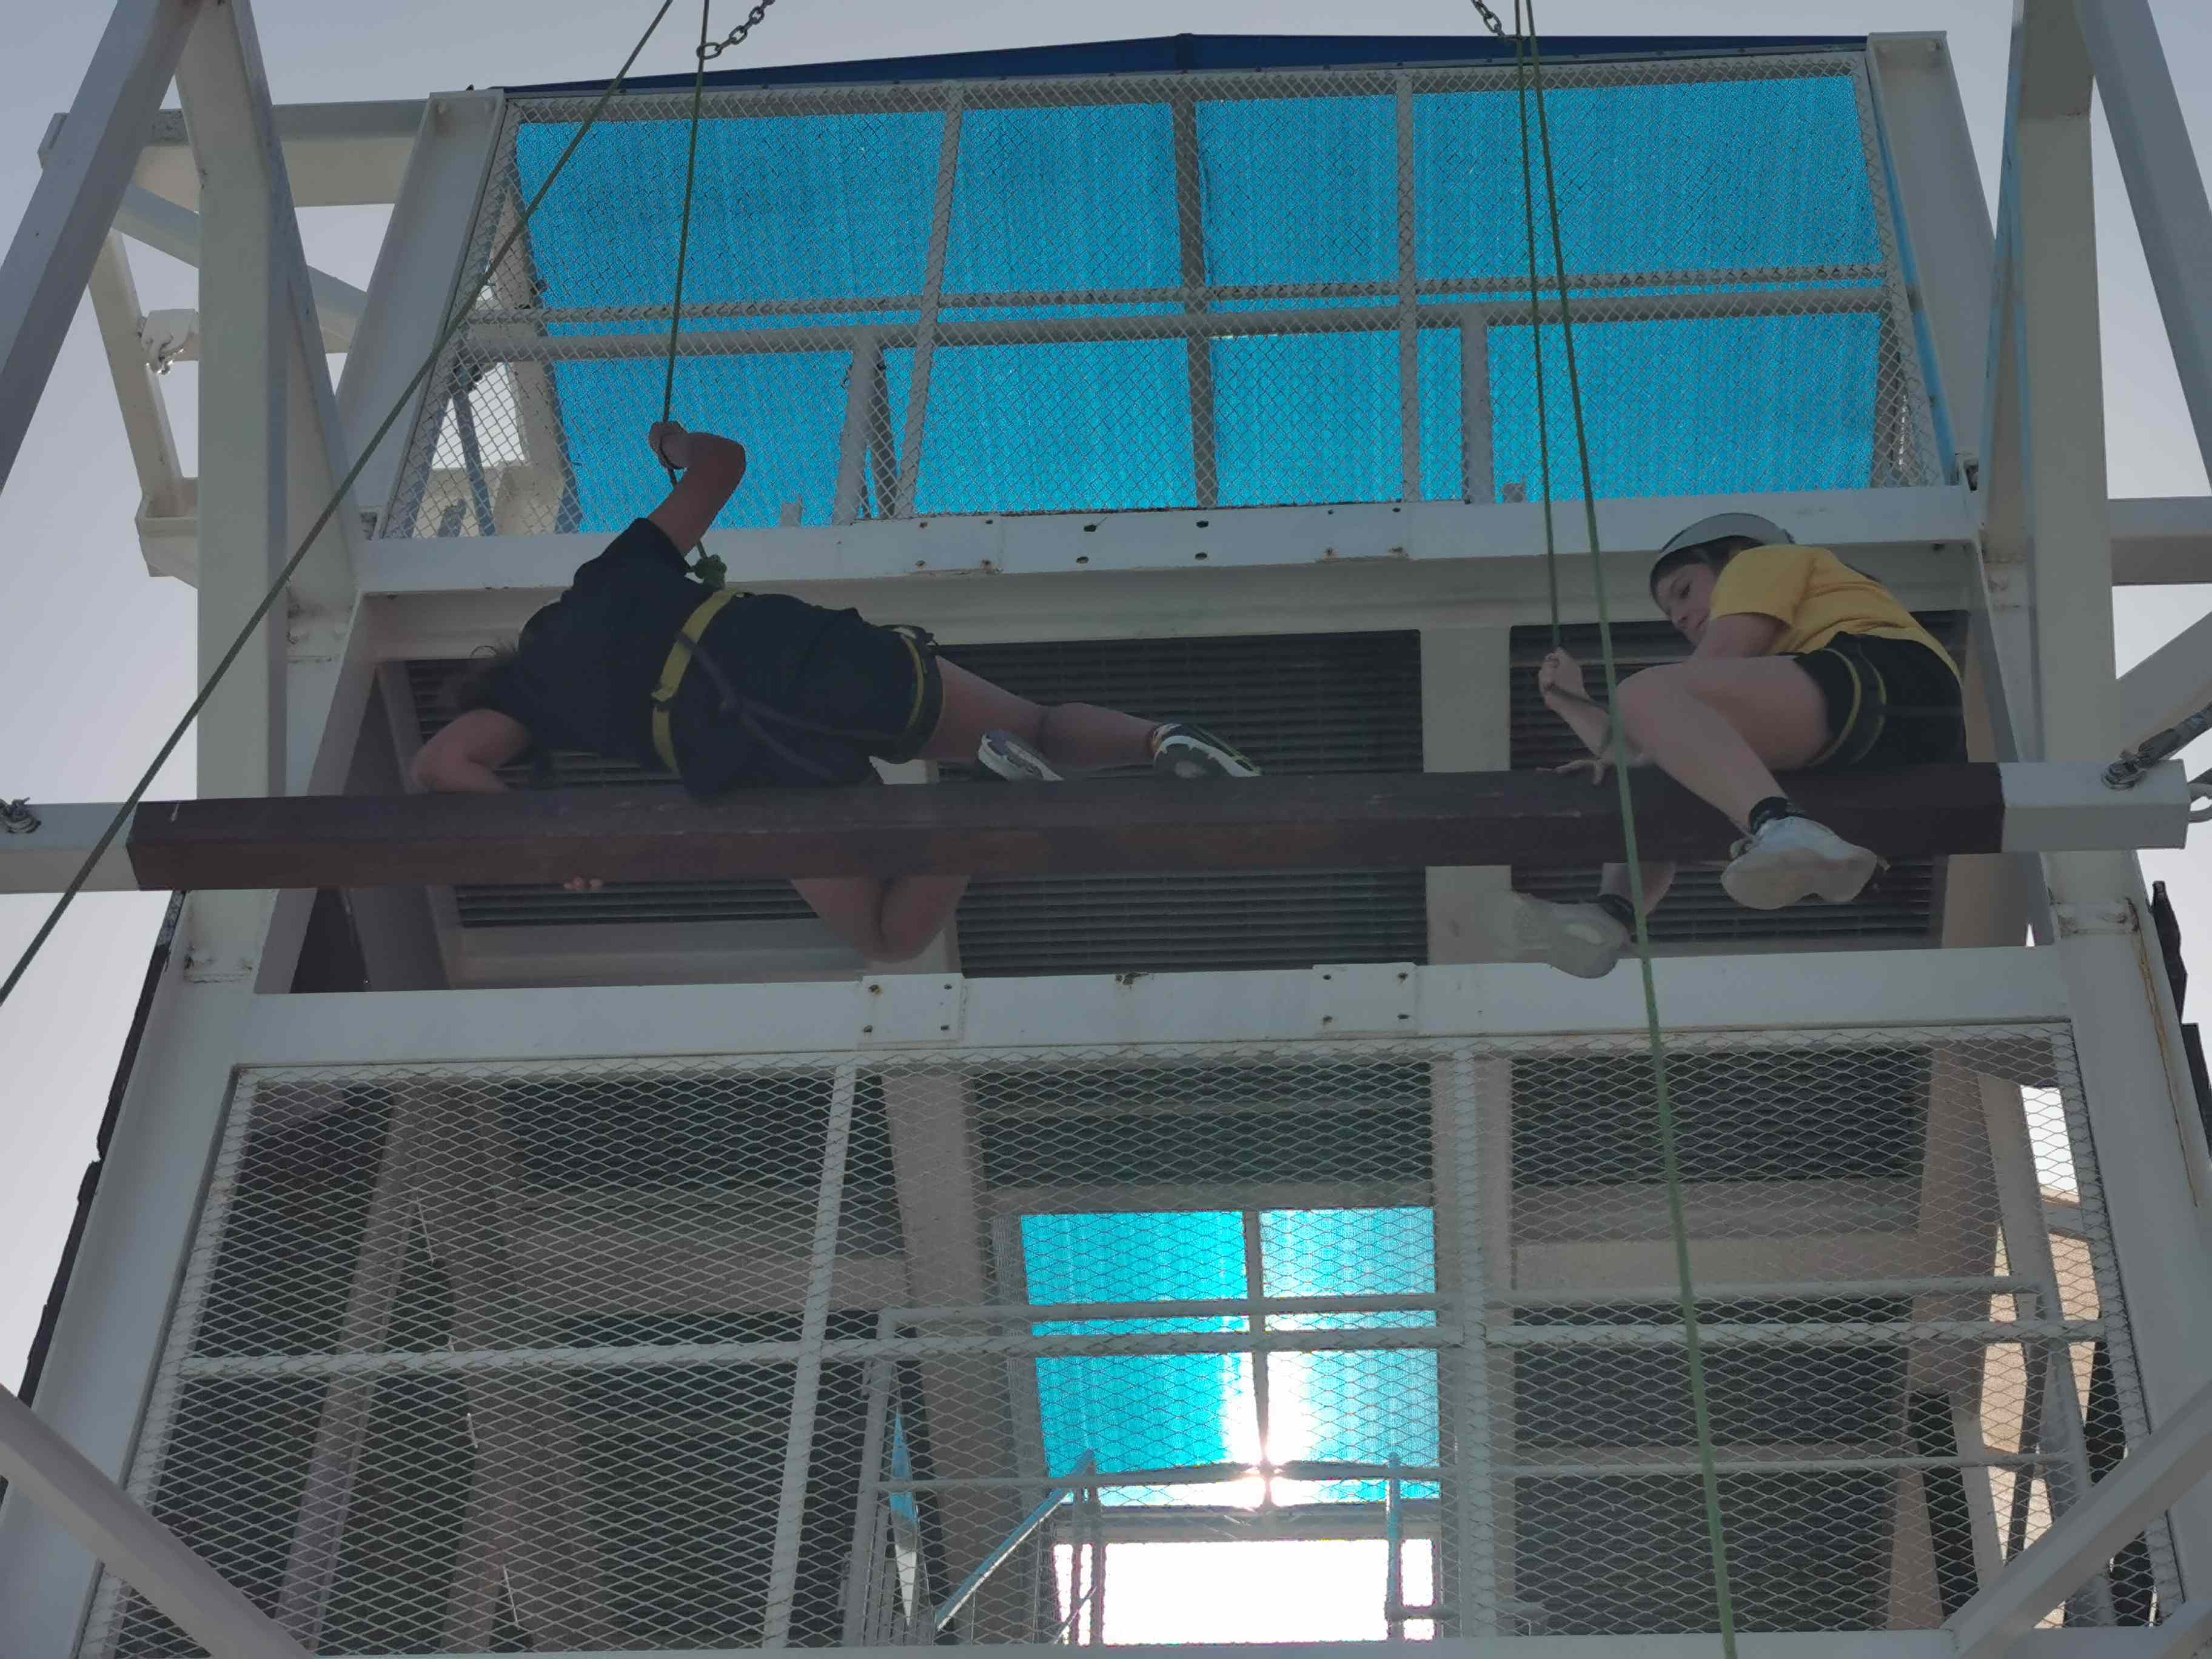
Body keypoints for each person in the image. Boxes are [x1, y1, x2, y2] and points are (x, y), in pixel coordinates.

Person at [413, 421, 1259, 961]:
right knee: (1036, 724)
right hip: (819, 655)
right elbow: (726, 463)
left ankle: (978, 814)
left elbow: (446, 763)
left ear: (496, 698)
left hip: (760, 753)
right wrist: (670, 444)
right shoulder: (609, 576)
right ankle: (1157, 738)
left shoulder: (527, 707)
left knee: (889, 936)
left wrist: (555, 842)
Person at [1493, 512, 1965, 978]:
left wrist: (1628, 751)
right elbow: (1664, 755)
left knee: (1644, 694)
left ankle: (1776, 825)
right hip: (1885, 731)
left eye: (1684, 591)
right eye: (1671, 613)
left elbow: (1693, 684)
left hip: (1892, 679)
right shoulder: (1783, 671)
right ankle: (1612, 913)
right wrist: (1570, 703)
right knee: (1664, 776)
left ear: (1734, 555)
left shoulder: (1764, 560)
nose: (1678, 616)